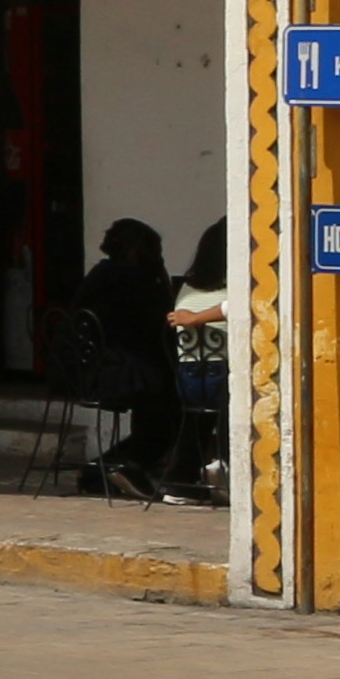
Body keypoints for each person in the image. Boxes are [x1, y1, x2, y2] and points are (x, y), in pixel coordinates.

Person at [77, 214, 189, 500]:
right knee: (175, 406)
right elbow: (161, 320)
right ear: (138, 252)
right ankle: (125, 466)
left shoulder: (99, 274)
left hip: (96, 367)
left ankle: (109, 468)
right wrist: (162, 277)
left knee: (162, 405)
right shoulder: (135, 281)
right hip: (122, 370)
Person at [165, 219, 234, 502]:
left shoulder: (187, 289)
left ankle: (179, 482)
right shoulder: (236, 286)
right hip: (223, 375)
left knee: (196, 420)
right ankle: (228, 467)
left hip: (188, 376)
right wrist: (199, 318)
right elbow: (239, 305)